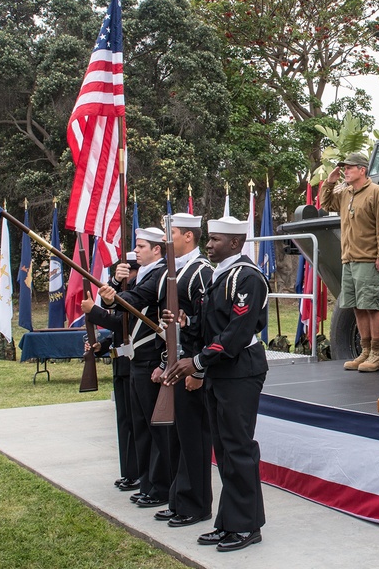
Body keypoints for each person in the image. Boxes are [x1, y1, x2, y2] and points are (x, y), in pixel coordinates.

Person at [162, 215, 268, 553]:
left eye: (216, 240)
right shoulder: (220, 275)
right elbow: (210, 325)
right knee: (223, 450)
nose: (208, 245)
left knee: (238, 448)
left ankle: (247, 526)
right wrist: (186, 322)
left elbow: (236, 333)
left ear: (235, 243)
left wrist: (196, 362)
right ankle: (229, 522)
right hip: (220, 372)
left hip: (241, 370)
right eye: (209, 239)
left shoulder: (248, 277)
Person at [98, 227, 170, 509]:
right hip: (136, 358)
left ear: (157, 250)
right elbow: (124, 307)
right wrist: (113, 289)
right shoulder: (143, 275)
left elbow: (134, 302)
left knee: (153, 429)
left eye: (141, 246)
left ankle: (158, 486)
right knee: (140, 426)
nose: (136, 251)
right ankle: (147, 482)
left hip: (151, 356)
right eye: (137, 245)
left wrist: (110, 298)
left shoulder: (159, 274)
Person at [153, 213, 215, 528]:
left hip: (192, 365)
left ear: (189, 236)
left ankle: (196, 503)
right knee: (179, 437)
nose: (168, 240)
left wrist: (197, 371)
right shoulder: (173, 272)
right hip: (177, 362)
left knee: (194, 438)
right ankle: (179, 498)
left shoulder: (201, 272)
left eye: (173, 233)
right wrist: (164, 363)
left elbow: (207, 325)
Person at [319, 152, 379, 372]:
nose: (346, 171)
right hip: (349, 258)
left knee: (371, 306)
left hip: (368, 258)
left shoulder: (375, 192)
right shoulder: (345, 193)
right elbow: (326, 204)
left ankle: (377, 353)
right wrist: (330, 182)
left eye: (350, 167)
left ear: (362, 169)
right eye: (345, 168)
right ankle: (364, 350)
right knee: (356, 307)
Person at [82, 252, 140, 493]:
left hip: (133, 362)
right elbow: (117, 331)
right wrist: (101, 346)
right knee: (124, 422)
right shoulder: (122, 290)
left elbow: (122, 322)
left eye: (124, 271)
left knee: (135, 424)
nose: (119, 275)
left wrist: (93, 311)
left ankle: (137, 473)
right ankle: (128, 472)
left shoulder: (139, 290)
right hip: (120, 362)